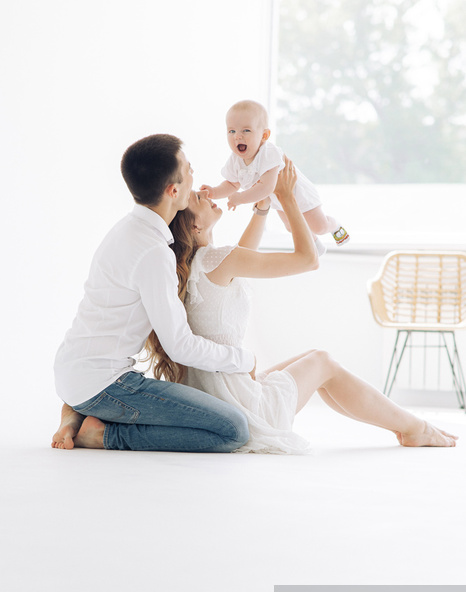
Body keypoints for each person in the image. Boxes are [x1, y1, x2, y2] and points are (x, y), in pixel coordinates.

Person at [145, 157, 457, 453]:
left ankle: (406, 428)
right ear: (195, 227)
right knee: (322, 362)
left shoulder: (189, 265)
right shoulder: (216, 259)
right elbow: (308, 260)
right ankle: (414, 427)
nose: (205, 192)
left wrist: (263, 207)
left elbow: (241, 254)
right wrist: (288, 197)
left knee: (311, 362)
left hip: (219, 396)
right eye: (199, 198)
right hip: (243, 408)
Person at [52, 134, 256, 452]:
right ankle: (103, 435)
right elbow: (181, 347)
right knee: (234, 430)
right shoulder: (153, 251)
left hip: (71, 371)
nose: (196, 179)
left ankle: (78, 411)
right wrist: (242, 359)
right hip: (104, 385)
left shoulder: (125, 228)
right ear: (173, 191)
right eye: (189, 170)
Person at [200, 99, 350, 250]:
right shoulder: (235, 160)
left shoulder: (269, 152)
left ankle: (335, 225)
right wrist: (214, 192)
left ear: (264, 135)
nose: (237, 136)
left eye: (246, 130)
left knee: (319, 226)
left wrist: (240, 198)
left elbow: (266, 187)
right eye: (232, 131)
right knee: (292, 227)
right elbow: (231, 184)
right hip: (279, 199)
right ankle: (316, 245)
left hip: (298, 194)